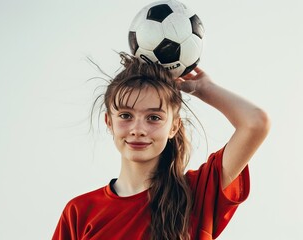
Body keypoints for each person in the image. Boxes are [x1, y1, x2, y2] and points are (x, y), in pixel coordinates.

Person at [52, 52, 270, 240]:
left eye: (154, 117)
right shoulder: (80, 211)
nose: (138, 129)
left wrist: (204, 89)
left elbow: (255, 123)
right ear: (109, 122)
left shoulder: (197, 193)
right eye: (126, 115)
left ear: (174, 127)